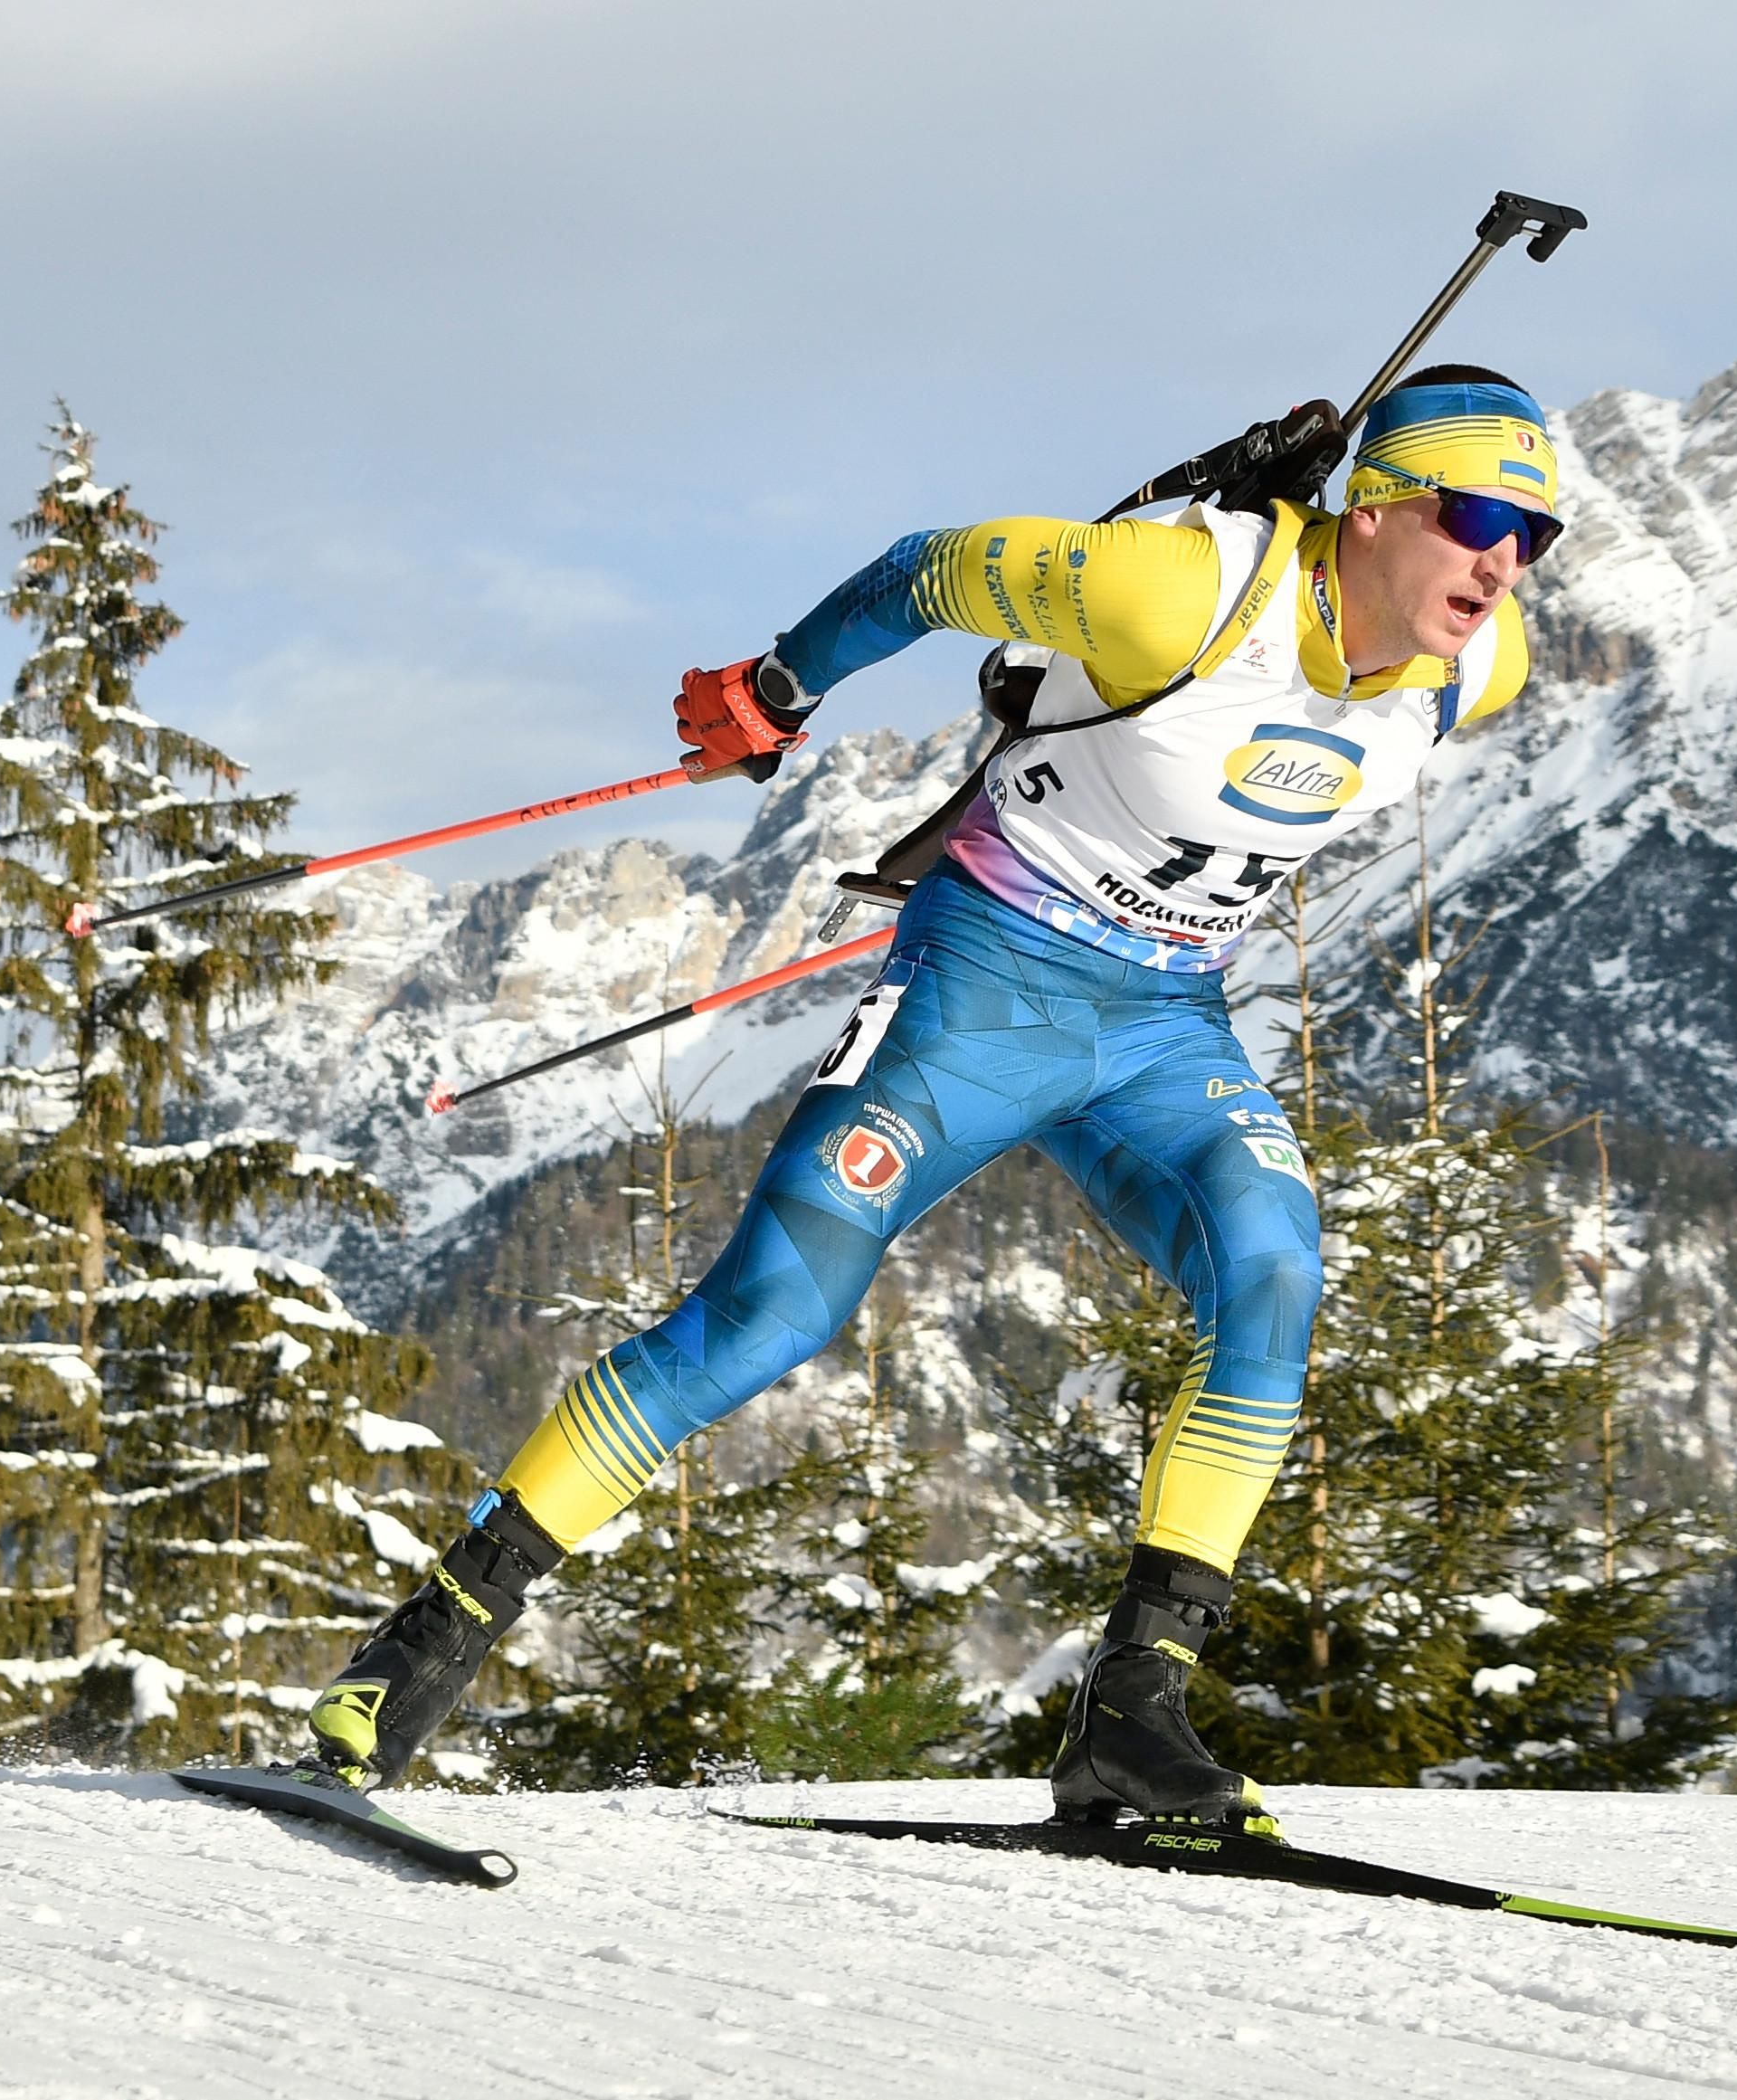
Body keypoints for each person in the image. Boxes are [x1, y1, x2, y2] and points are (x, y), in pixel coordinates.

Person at [300, 367, 1562, 1833]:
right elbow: (929, 570)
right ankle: (425, 1644)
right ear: (1381, 502)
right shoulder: (1177, 591)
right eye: (1477, 514)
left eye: (1535, 532)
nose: (1504, 561)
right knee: (774, 1310)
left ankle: (1132, 1714)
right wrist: (776, 688)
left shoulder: (1485, 661)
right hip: (985, 989)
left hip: (1164, 1023)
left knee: (1275, 1265)